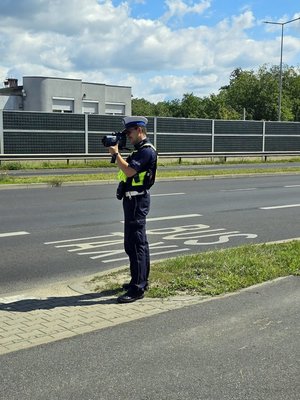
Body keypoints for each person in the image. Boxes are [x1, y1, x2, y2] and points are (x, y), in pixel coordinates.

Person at [108, 116, 157, 303]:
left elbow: (129, 171)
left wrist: (115, 154)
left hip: (138, 201)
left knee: (137, 245)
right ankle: (138, 281)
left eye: (129, 132)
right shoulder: (138, 151)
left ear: (139, 130)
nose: (127, 136)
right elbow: (126, 174)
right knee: (133, 244)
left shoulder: (146, 151)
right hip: (131, 201)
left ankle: (138, 288)